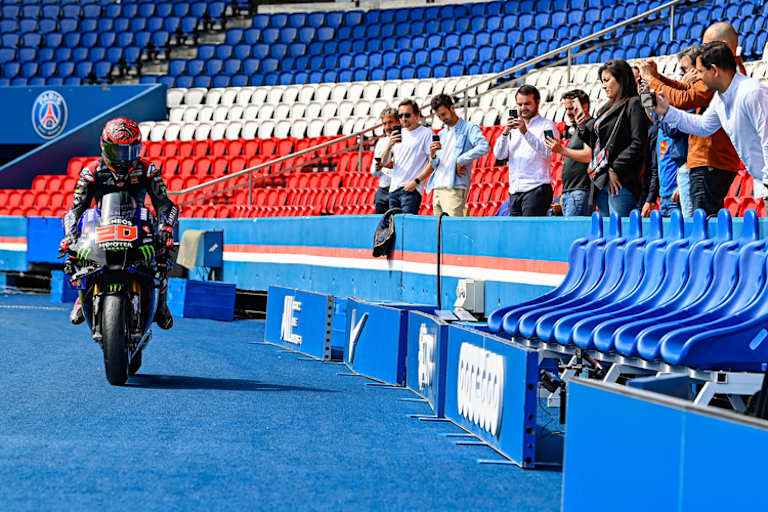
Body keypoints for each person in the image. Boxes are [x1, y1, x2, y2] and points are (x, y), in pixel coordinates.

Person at [59, 117, 179, 329]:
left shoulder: (148, 169)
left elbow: (166, 205)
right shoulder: (91, 172)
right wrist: (70, 236)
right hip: (102, 223)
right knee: (75, 252)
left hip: (138, 222)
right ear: (105, 147)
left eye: (130, 151)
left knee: (164, 251)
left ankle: (161, 303)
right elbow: (75, 209)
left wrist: (165, 229)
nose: (124, 158)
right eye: (118, 151)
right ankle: (81, 296)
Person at [639, 24, 745, 216]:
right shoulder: (727, 73)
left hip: (708, 161)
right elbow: (683, 95)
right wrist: (655, 78)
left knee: (700, 224)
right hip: (698, 165)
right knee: (700, 222)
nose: (703, 53)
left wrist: (652, 80)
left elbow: (684, 99)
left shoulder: (721, 75)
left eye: (706, 46)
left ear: (721, 45)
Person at [652, 42, 768, 200]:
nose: (697, 77)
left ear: (714, 70)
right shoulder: (721, 97)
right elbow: (703, 126)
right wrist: (667, 111)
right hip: (762, 181)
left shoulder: (751, 92)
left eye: (700, 71)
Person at [568, 60, 649, 217]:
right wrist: (582, 127)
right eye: (602, 81)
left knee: (619, 233)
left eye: (607, 80)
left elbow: (638, 143)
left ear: (621, 79)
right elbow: (597, 144)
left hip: (621, 182)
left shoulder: (634, 103)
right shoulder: (605, 108)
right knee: (606, 233)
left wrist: (614, 168)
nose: (604, 86)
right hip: (602, 180)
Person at [408, 93, 490, 217]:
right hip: (437, 186)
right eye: (439, 116)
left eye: (443, 114)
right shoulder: (441, 134)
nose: (442, 118)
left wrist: (461, 160)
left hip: (454, 186)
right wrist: (433, 155)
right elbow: (435, 164)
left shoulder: (469, 127)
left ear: (452, 108)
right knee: (439, 231)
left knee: (452, 230)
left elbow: (484, 146)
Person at [493, 84, 560, 216]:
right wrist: (505, 131)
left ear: (538, 102)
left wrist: (525, 132)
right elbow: (499, 155)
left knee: (530, 233)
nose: (523, 108)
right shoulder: (513, 128)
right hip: (515, 190)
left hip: (537, 188)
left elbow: (547, 152)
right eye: (520, 104)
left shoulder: (547, 125)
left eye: (527, 104)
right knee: (517, 233)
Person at [545, 89, 594, 216]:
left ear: (584, 106)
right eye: (566, 109)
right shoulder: (579, 129)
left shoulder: (590, 125)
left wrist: (561, 150)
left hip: (580, 191)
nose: (568, 112)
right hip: (571, 191)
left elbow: (589, 156)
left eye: (571, 108)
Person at [381, 99, 433, 214]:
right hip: (394, 189)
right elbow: (384, 162)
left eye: (407, 115)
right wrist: (389, 145)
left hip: (411, 189)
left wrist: (416, 182)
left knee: (406, 228)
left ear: (417, 115)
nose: (403, 118)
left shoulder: (426, 133)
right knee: (394, 228)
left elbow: (433, 162)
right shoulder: (397, 133)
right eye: (400, 115)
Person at [371, 107, 397, 214]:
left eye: (390, 122)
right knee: (381, 227)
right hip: (383, 190)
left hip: (398, 191)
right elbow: (374, 172)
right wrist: (378, 167)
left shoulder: (406, 140)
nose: (387, 126)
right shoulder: (381, 142)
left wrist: (385, 164)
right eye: (385, 123)